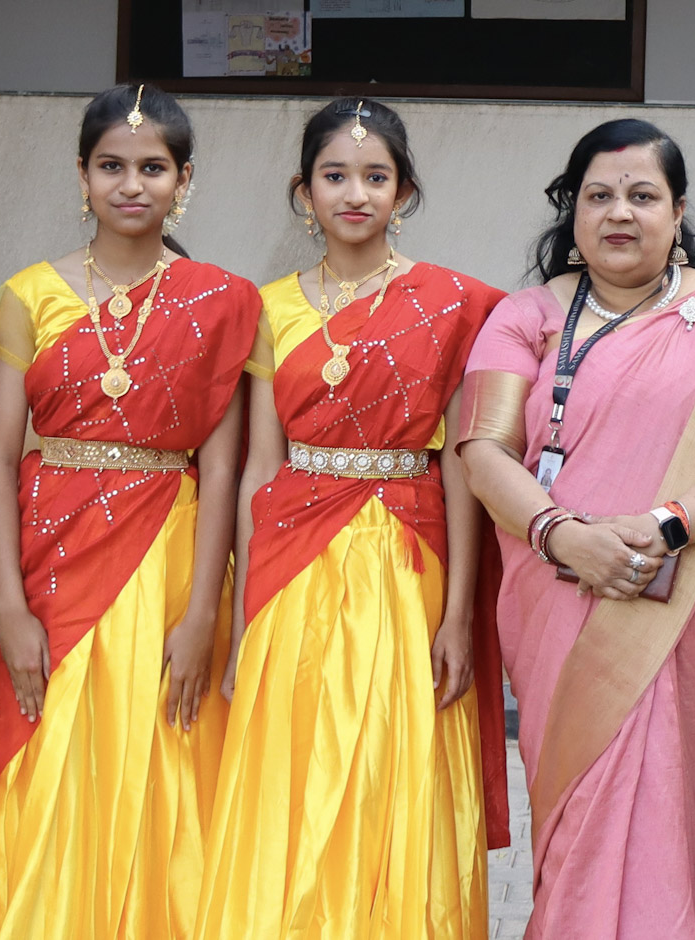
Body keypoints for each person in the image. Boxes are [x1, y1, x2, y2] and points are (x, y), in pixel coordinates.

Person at [457, 118, 695, 939]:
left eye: (641, 195)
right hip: (560, 606)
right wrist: (561, 535)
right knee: (582, 830)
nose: (619, 212)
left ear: (678, 209)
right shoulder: (526, 317)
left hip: (691, 608)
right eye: (598, 195)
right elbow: (482, 451)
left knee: (682, 824)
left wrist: (665, 527)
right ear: (574, 211)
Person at [201, 97, 509, 938]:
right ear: (305, 193)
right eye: (335, 176)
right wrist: (242, 618)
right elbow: (259, 466)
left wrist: (457, 616)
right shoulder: (268, 308)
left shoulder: (454, 305)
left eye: (376, 177)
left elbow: (461, 462)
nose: (355, 193)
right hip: (292, 562)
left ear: (403, 192)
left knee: (387, 764)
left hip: (406, 561)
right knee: (292, 768)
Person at [0, 84, 259, 939]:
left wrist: (202, 615)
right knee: (46, 761)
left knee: (164, 759)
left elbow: (222, 464)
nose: (132, 185)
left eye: (153, 168)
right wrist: (9, 606)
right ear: (82, 175)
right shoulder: (29, 294)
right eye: (111, 167)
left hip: (170, 556)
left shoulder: (221, 300)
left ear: (183, 179)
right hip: (50, 557)